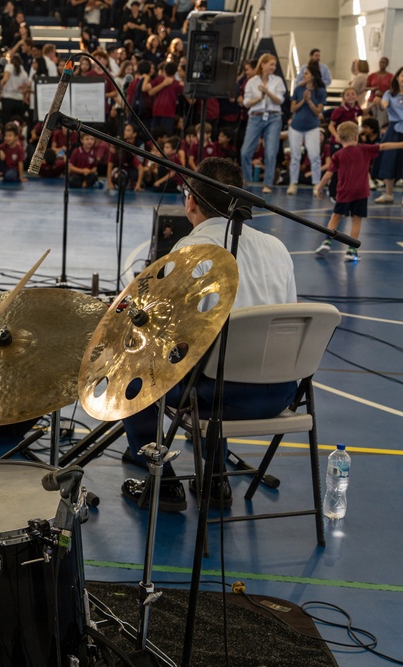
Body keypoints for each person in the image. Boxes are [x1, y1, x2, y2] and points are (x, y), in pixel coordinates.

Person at [121, 158, 297, 512]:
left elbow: (163, 335)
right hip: (281, 392)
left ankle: (163, 481)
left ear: (191, 202)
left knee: (132, 370)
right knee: (219, 361)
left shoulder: (189, 251)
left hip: (218, 397)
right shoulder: (277, 249)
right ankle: (215, 478)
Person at [314, 121, 403, 261]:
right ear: (356, 136)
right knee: (356, 220)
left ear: (339, 138)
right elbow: (384, 146)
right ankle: (351, 249)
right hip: (361, 192)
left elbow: (328, 175)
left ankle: (327, 241)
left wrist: (319, 187)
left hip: (344, 192)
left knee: (336, 216)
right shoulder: (364, 149)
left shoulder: (338, 155)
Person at [240, 53, 286, 194]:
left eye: (275, 65)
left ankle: (268, 183)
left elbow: (280, 100)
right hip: (255, 116)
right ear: (263, 64)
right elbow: (246, 102)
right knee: (245, 151)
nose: (273, 67)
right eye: (271, 64)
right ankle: (248, 181)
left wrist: (267, 92)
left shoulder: (277, 80)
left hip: (273, 117)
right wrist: (259, 98)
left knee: (271, 152)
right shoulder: (252, 81)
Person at [285, 61, 326, 195]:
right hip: (296, 126)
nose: (303, 75)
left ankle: (316, 184)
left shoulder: (320, 91)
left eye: (306, 73)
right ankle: (293, 183)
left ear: (313, 76)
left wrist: (309, 100)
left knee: (314, 156)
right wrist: (303, 99)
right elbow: (293, 108)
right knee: (295, 156)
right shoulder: (298, 89)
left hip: (312, 127)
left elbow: (317, 111)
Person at [374, 67, 403, 205]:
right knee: (389, 160)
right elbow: (384, 104)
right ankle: (388, 194)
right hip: (393, 130)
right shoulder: (389, 94)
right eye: (402, 75)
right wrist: (382, 103)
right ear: (397, 77)